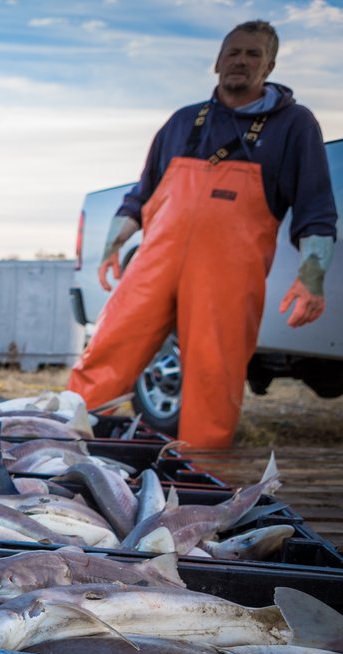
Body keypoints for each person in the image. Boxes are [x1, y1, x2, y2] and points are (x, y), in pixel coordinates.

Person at [68, 20, 336, 449]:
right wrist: (114, 245)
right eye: (234, 52)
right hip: (154, 266)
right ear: (217, 61)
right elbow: (142, 195)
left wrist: (313, 276)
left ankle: (200, 471)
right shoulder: (182, 122)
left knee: (215, 372)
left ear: (269, 66)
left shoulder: (295, 126)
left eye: (254, 54)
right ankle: (57, 441)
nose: (241, 61)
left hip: (227, 277)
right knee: (107, 347)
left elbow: (317, 211)